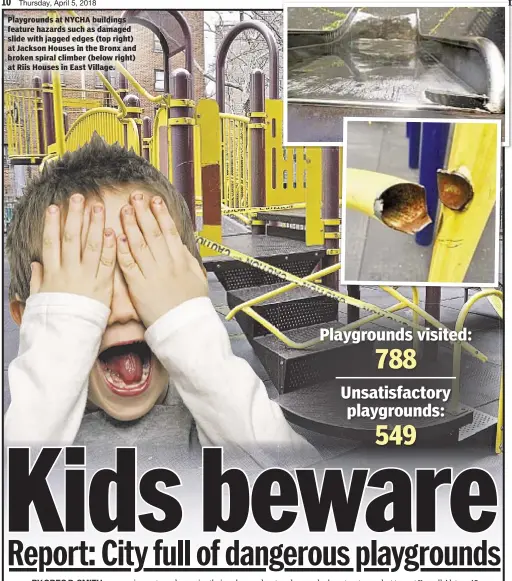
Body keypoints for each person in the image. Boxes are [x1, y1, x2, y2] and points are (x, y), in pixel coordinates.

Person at [5, 136, 319, 469]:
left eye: (145, 273)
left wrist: (188, 329)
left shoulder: (220, 406)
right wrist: (58, 347)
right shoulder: (26, 423)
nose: (123, 311)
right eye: (88, 286)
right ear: (30, 318)